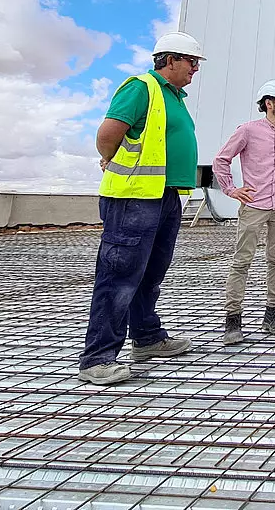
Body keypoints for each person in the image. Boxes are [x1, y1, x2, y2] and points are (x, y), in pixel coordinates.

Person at [79, 31, 204, 385]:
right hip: (134, 197)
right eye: (191, 62)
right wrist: (109, 159)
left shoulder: (175, 97)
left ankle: (147, 338)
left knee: (150, 274)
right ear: (171, 59)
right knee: (119, 276)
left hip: (164, 195)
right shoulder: (141, 88)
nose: (195, 69)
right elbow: (108, 133)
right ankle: (98, 358)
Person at [213, 79, 275, 345]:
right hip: (254, 206)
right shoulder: (247, 131)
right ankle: (232, 322)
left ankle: (273, 317)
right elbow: (221, 160)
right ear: (269, 103)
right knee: (241, 261)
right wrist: (232, 190)